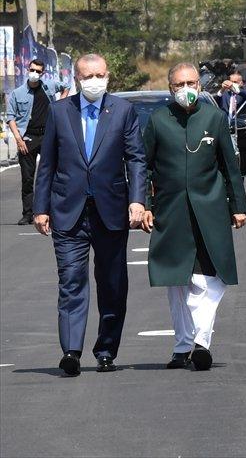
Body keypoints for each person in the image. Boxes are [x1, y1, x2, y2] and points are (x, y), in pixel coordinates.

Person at [32, 53, 147, 376]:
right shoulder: (59, 112)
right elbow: (48, 164)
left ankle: (106, 349)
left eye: (99, 75)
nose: (93, 81)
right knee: (71, 281)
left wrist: (138, 200)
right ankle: (71, 350)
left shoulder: (123, 111)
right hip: (69, 212)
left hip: (110, 211)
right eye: (87, 76)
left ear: (108, 76)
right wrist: (40, 208)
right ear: (76, 79)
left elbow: (136, 159)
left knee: (112, 283)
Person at [142, 62, 246, 370]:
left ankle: (201, 341)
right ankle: (183, 346)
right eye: (179, 84)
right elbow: (144, 167)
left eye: (191, 83)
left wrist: (238, 205)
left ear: (200, 86)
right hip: (171, 211)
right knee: (176, 282)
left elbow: (230, 167)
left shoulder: (214, 118)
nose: (185, 89)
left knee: (210, 279)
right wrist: (145, 204)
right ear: (169, 88)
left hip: (210, 210)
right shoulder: (159, 120)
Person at [7, 58, 54, 225]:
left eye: (38, 71)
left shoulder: (49, 87)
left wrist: (61, 102)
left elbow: (66, 87)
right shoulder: (17, 93)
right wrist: (18, 139)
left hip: (48, 136)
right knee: (27, 178)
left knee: (51, 174)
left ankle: (50, 211)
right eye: (32, 70)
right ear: (28, 69)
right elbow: (10, 117)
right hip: (27, 138)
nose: (35, 73)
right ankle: (28, 213)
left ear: (43, 73)